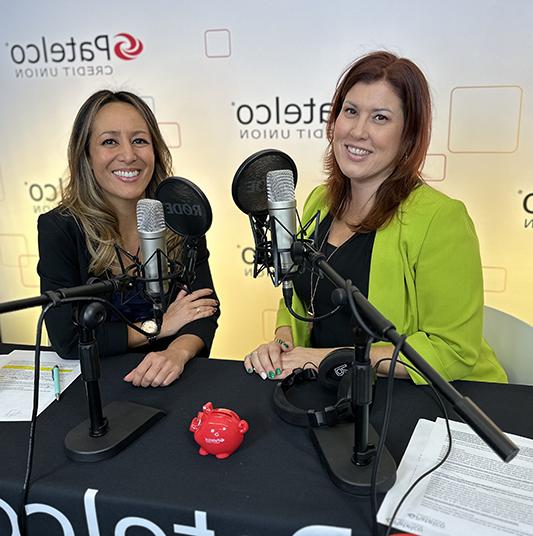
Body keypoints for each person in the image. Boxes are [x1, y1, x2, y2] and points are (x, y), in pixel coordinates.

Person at [244, 51, 507, 384]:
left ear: (408, 135)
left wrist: (324, 359)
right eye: (350, 111)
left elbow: (452, 351)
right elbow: (298, 299)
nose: (357, 131)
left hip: (417, 401)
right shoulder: (318, 201)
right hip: (333, 390)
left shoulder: (442, 219)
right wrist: (283, 347)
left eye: (380, 118)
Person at [37, 90, 219, 388]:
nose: (129, 155)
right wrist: (156, 329)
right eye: (110, 141)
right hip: (99, 385)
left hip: (174, 378)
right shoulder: (60, 227)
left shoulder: (181, 215)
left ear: (155, 150)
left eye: (139, 140)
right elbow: (67, 338)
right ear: (87, 156)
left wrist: (176, 353)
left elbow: (203, 310)